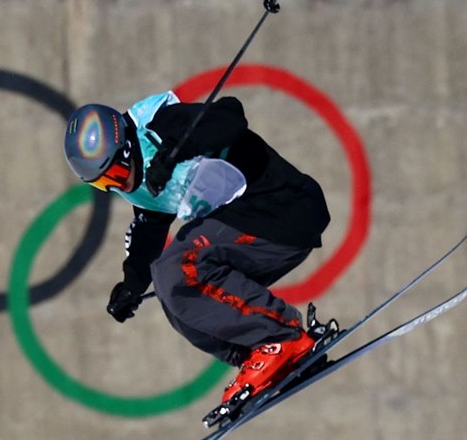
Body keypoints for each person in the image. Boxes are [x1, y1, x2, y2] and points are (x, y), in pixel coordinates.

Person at [62, 90, 332, 415]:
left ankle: (280, 338)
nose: (119, 185)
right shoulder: (140, 190)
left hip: (280, 209)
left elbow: (231, 115)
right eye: (104, 184)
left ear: (127, 149)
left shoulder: (159, 127)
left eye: (115, 174)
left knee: (178, 266)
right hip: (258, 232)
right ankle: (264, 356)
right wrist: (131, 287)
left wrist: (174, 152)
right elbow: (149, 230)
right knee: (174, 297)